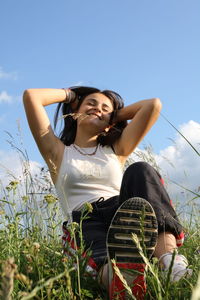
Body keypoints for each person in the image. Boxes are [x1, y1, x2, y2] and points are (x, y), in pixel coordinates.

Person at [23, 86, 192, 299]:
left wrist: (110, 116)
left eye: (105, 108)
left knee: (141, 169)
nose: (97, 109)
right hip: (83, 219)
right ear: (74, 113)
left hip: (123, 211)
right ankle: (123, 283)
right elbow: (32, 96)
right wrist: (72, 96)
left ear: (109, 123)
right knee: (102, 257)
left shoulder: (117, 150)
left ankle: (170, 263)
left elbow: (153, 105)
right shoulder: (57, 151)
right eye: (91, 104)